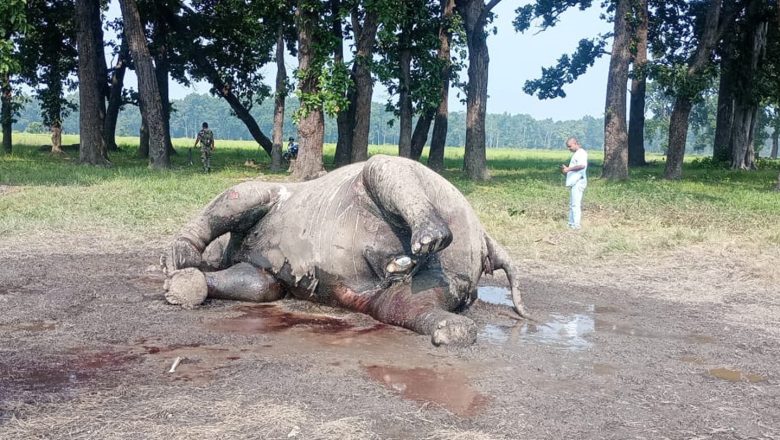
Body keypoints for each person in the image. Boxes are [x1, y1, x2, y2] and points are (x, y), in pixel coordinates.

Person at [560, 137, 588, 229]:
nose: (569, 149)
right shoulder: (576, 154)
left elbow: (582, 166)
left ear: (575, 144)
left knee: (576, 204)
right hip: (574, 182)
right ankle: (571, 223)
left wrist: (569, 169)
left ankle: (576, 224)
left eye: (570, 146)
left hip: (579, 182)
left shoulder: (581, 153)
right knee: (572, 204)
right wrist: (566, 170)